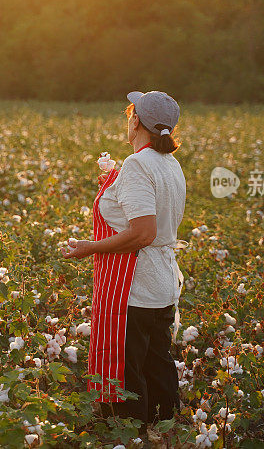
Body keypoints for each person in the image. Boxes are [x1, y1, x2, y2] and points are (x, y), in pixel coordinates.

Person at [63, 90, 186, 429]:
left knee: (127, 368)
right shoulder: (169, 163)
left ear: (135, 121)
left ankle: (129, 433)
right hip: (162, 281)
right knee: (156, 362)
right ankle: (164, 429)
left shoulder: (137, 165)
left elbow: (143, 232)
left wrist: (91, 247)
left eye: (129, 115)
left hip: (135, 283)